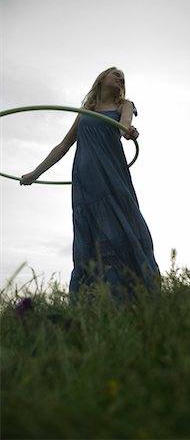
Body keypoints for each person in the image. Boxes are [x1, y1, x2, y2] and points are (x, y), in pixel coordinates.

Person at [20, 67, 160, 304]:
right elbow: (63, 146)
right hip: (85, 181)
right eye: (115, 74)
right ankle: (93, 301)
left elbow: (125, 124)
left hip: (112, 177)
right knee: (91, 234)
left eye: (122, 78)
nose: (120, 79)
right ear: (102, 78)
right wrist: (35, 173)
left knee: (123, 227)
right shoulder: (87, 110)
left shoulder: (124, 105)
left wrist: (128, 131)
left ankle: (134, 296)